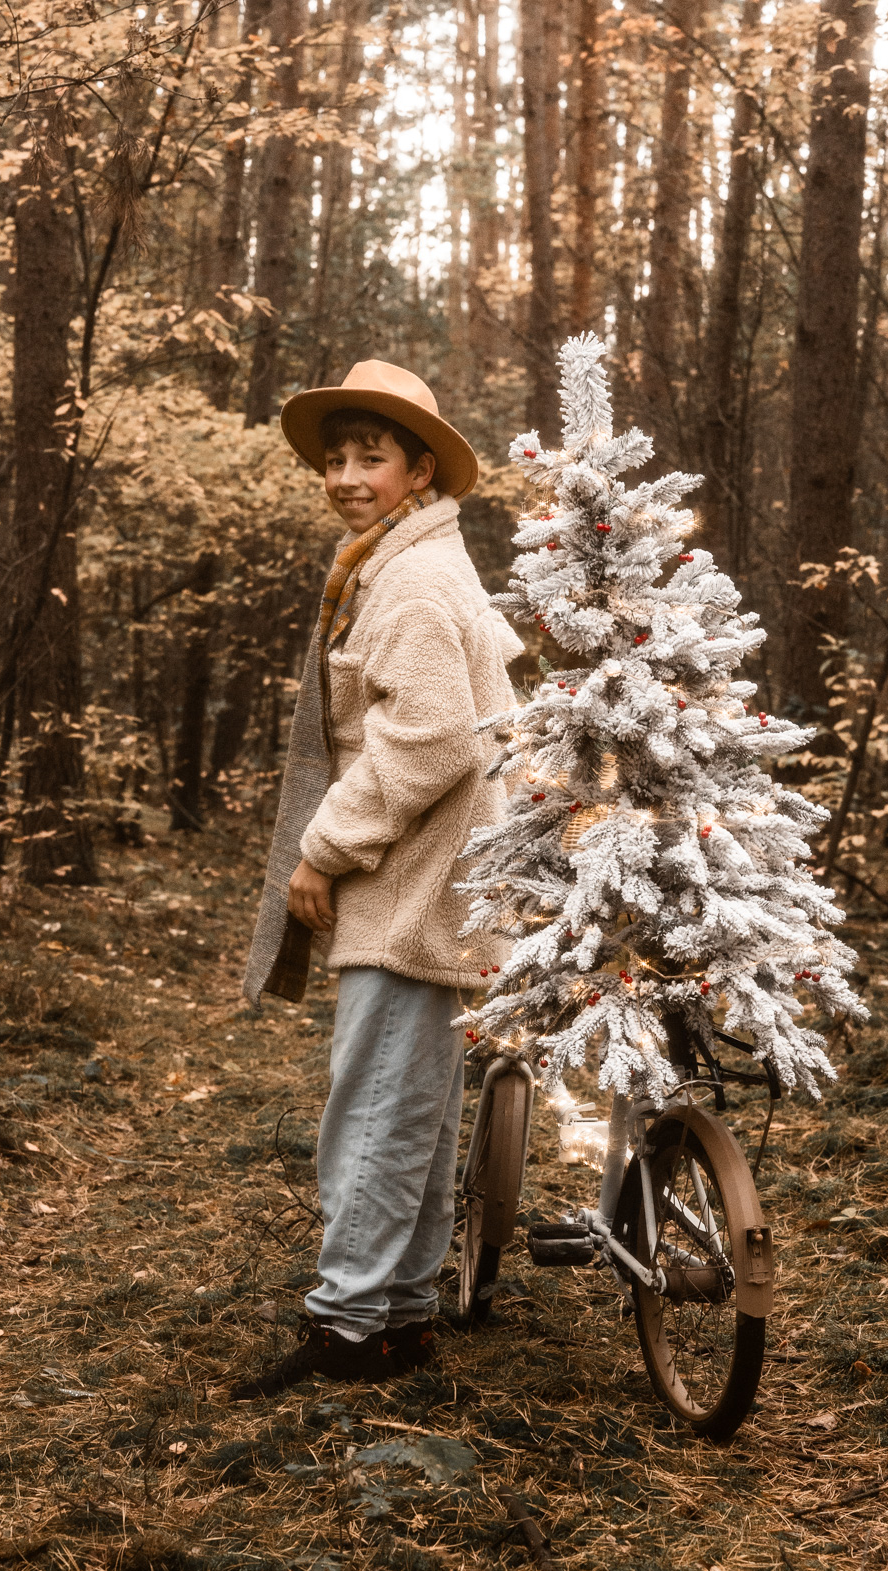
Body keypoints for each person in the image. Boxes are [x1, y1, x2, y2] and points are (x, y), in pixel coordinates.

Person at [236, 361, 523, 1397]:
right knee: (409, 1108)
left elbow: (433, 737)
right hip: (429, 878)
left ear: (417, 470)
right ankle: (396, 1315)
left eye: (371, 458)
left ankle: (351, 1329)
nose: (347, 477)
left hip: (414, 884)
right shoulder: (404, 563)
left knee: (371, 1109)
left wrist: (324, 846)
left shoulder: (408, 581)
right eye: (335, 459)